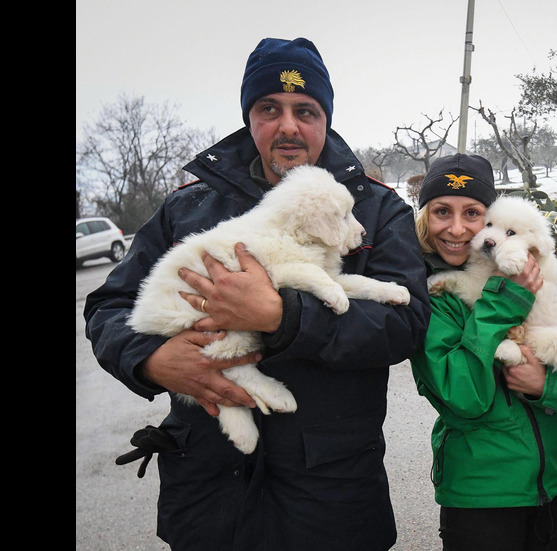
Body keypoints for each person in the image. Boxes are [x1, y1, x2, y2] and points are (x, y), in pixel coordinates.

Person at [84, 37, 430, 550]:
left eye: (305, 110)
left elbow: (407, 324)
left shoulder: (377, 210)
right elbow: (109, 306)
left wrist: (284, 316)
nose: (288, 125)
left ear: (325, 120)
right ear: (250, 118)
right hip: (207, 496)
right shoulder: (187, 208)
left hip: (330, 500)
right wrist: (152, 360)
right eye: (270, 108)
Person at [409, 153, 557, 551]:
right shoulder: (431, 296)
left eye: (473, 213)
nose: (457, 228)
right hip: (482, 493)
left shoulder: (538, 270)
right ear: (424, 219)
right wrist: (507, 300)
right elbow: (465, 397)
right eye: (440, 212)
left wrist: (546, 387)